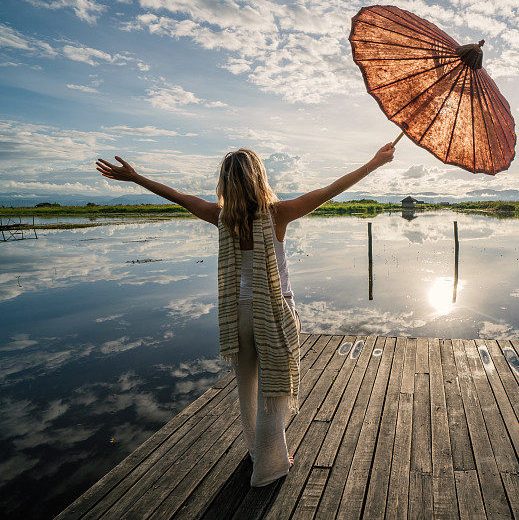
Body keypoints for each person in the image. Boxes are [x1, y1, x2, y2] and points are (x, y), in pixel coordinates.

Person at [95, 142, 395, 486]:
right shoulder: (278, 213)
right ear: (259, 178)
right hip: (275, 310)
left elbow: (178, 196)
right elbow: (331, 190)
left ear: (226, 183)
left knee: (246, 388)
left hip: (238, 313)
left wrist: (136, 178)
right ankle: (268, 469)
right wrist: (375, 162)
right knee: (275, 392)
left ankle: (257, 453)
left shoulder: (220, 216)